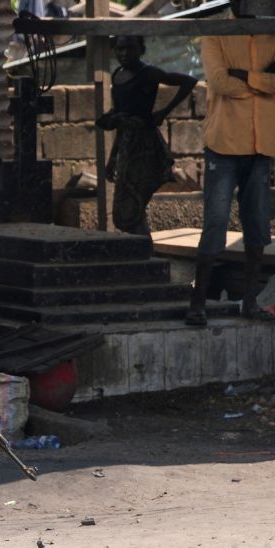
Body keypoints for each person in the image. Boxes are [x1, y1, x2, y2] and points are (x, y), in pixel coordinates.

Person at [187, 0, 275, 326]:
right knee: (215, 224)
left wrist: (245, 76)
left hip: (259, 144)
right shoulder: (216, 33)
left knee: (257, 227)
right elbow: (220, 83)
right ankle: (198, 303)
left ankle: (249, 301)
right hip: (224, 145)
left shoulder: (270, 32)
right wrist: (261, 83)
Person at [94, 36, 196, 237]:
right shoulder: (117, 75)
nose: (124, 54)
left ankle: (146, 253)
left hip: (145, 148)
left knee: (132, 208)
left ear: (141, 49)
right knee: (126, 211)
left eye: (129, 49)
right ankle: (144, 253)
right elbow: (122, 122)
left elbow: (189, 81)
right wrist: (113, 158)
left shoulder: (148, 73)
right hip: (127, 147)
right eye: (120, 49)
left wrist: (164, 112)